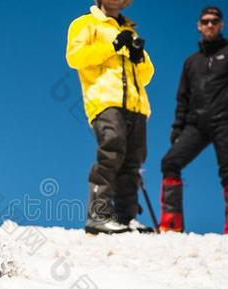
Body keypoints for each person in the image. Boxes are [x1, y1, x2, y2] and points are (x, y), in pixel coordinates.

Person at [159, 6, 228, 235]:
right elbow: (183, 97)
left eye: (214, 21)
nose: (210, 25)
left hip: (226, 122)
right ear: (199, 26)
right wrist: (177, 127)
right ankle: (171, 225)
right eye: (206, 21)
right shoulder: (191, 62)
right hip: (196, 124)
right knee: (170, 162)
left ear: (221, 25)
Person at [66, 0, 155, 234]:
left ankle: (127, 217)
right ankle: (98, 214)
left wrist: (139, 58)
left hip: (136, 105)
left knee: (133, 159)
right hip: (105, 100)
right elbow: (75, 57)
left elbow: (147, 75)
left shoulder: (130, 31)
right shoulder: (86, 23)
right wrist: (112, 46)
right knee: (112, 150)